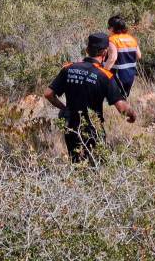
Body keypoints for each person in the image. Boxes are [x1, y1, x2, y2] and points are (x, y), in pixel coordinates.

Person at [44, 33, 137, 164]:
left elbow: (48, 94)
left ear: (87, 50)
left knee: (76, 163)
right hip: (93, 127)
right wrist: (132, 114)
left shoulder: (68, 68)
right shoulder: (105, 76)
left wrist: (65, 108)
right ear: (105, 52)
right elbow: (122, 107)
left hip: (70, 125)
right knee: (97, 163)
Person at [104, 15, 142, 98]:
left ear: (112, 28)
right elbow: (139, 56)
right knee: (124, 98)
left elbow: (112, 58)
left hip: (117, 76)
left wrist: (103, 73)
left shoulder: (112, 40)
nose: (108, 29)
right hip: (130, 75)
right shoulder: (131, 39)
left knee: (115, 100)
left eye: (109, 27)